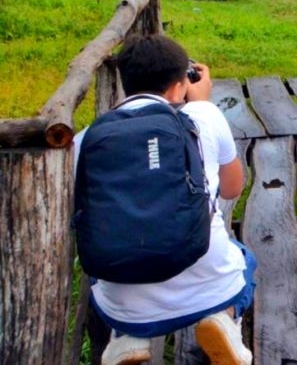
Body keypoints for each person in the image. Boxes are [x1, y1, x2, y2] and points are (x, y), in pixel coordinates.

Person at [74, 34, 255, 365]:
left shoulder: (86, 139)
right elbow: (232, 189)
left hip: (122, 302)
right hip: (208, 281)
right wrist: (202, 101)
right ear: (179, 84)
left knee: (122, 258)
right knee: (246, 259)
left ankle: (127, 338)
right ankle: (225, 320)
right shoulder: (204, 116)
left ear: (124, 80)